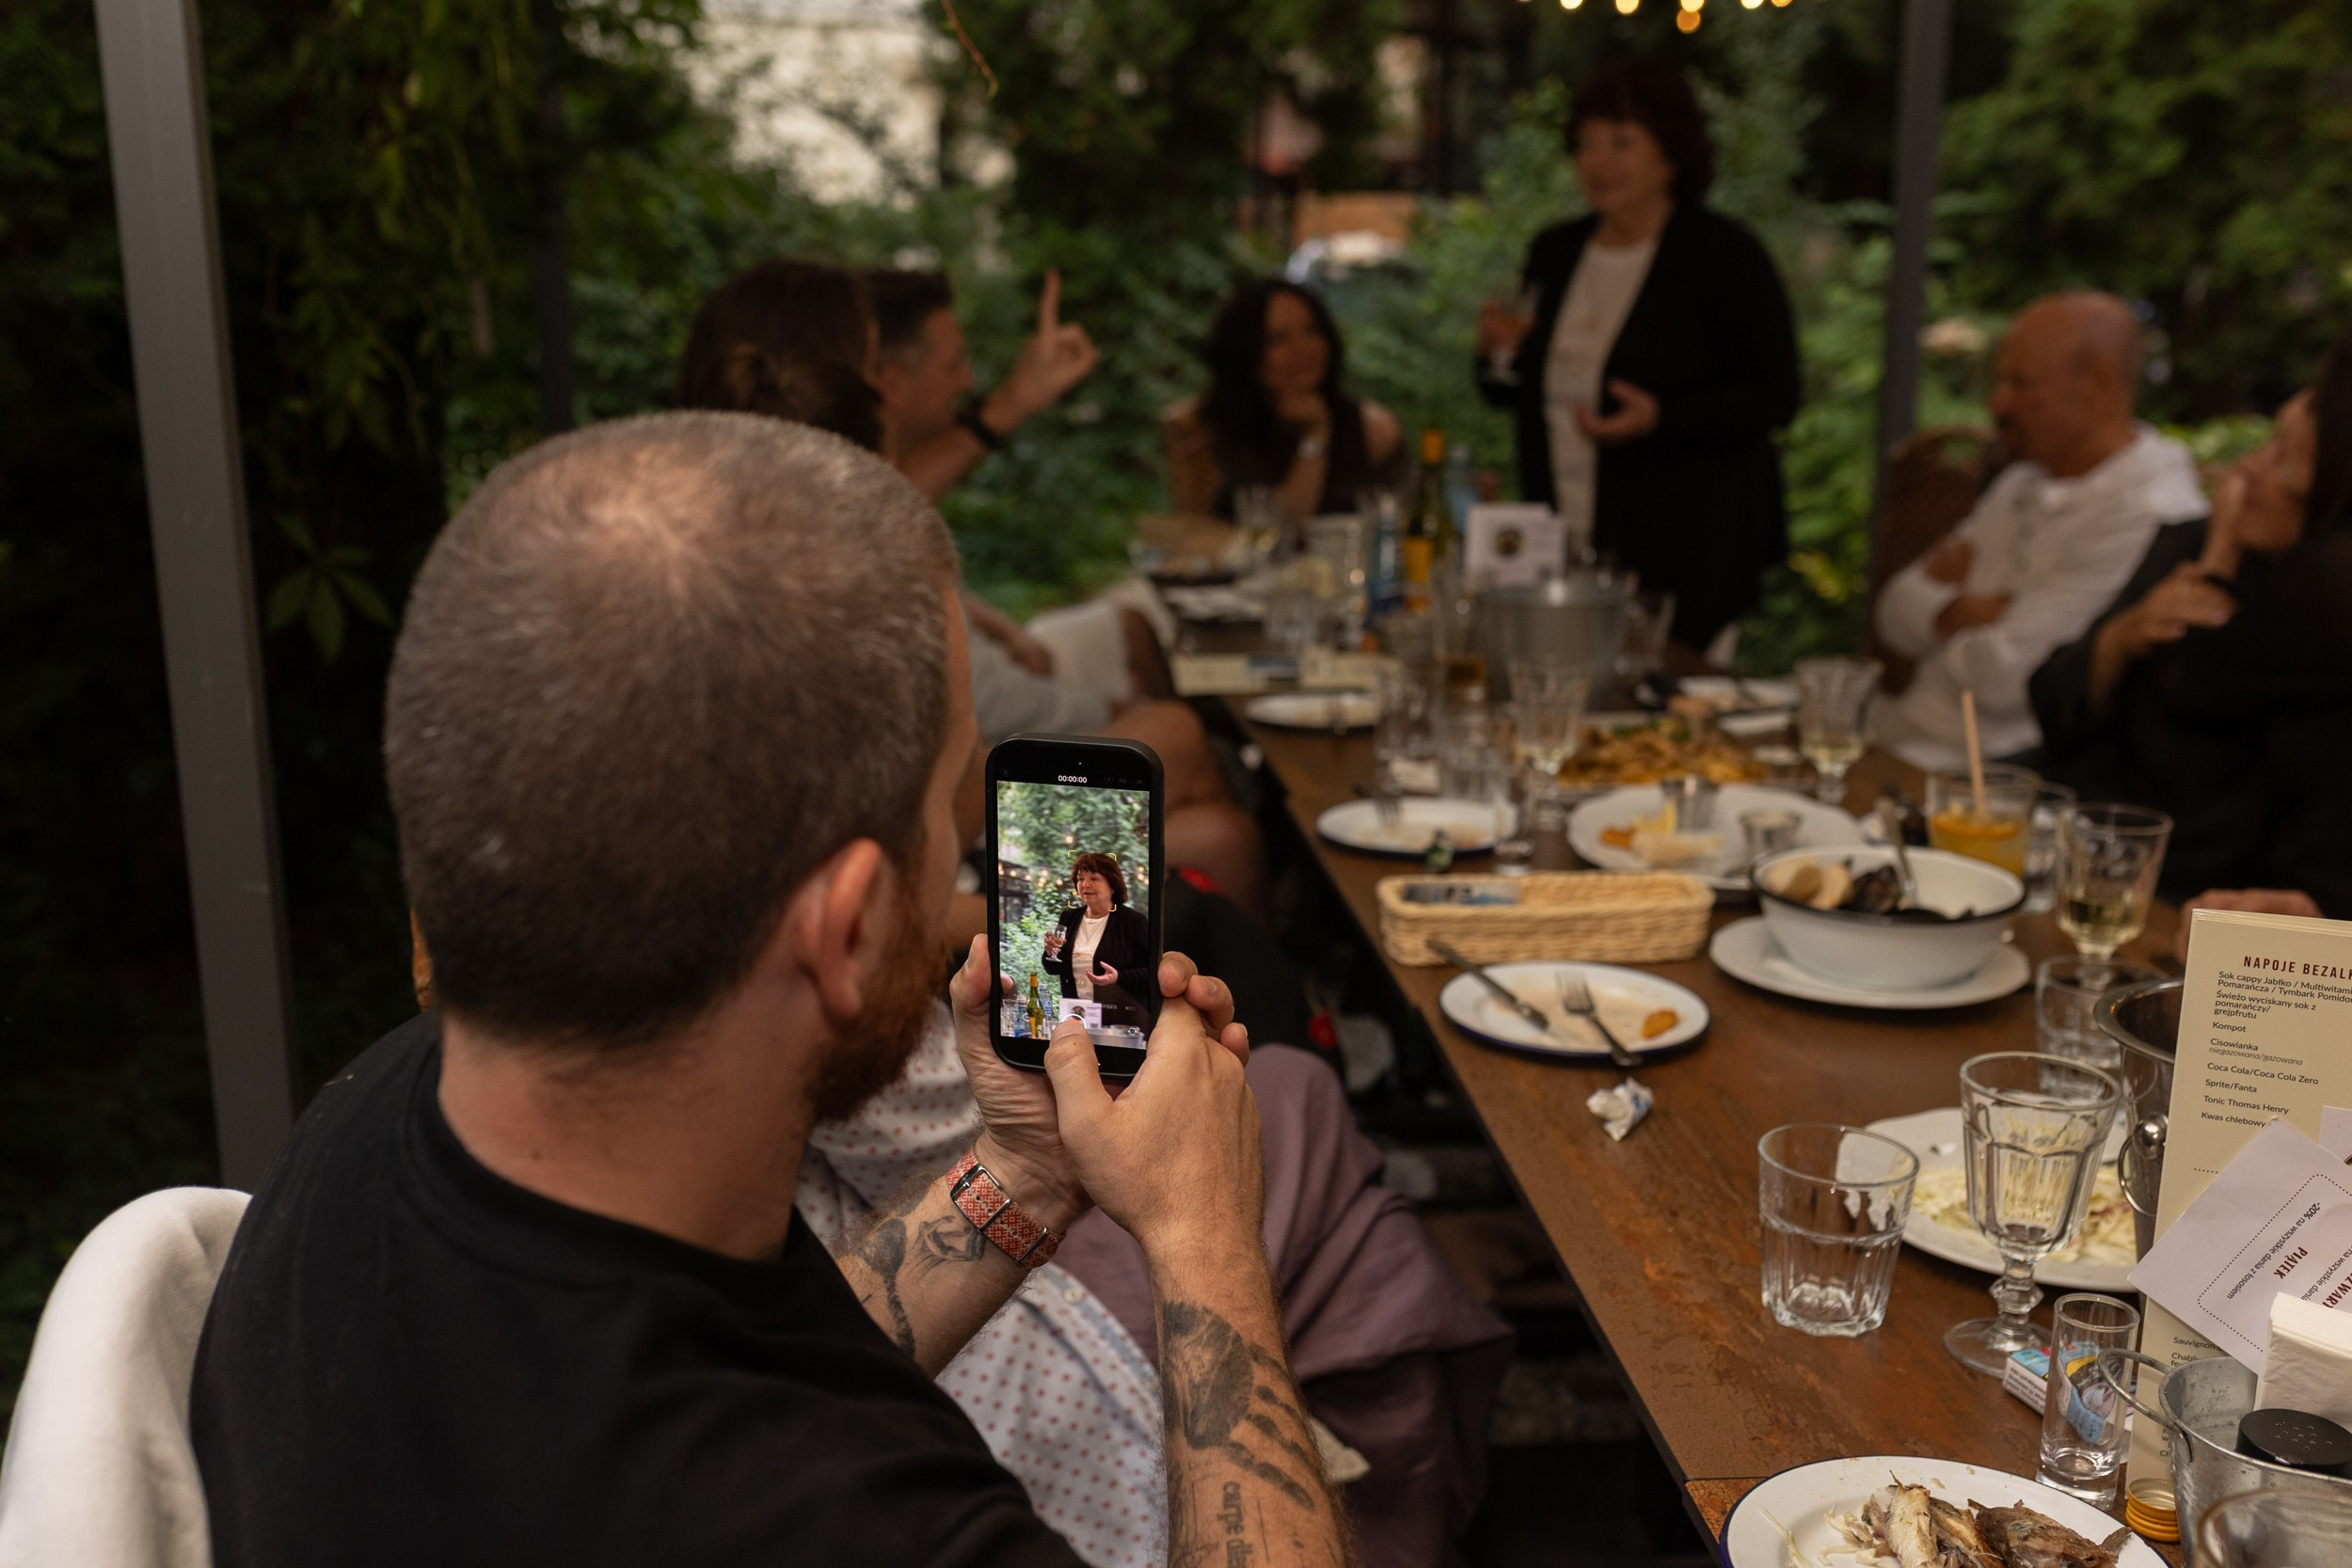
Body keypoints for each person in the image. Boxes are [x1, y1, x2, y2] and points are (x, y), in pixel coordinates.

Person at [191, 412, 1354, 1568]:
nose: (966, 872)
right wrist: (1206, 1239)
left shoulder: (386, 1117)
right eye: (946, 805)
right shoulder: (842, 1517)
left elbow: (754, 1344)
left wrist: (1026, 1173)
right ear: (845, 926)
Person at [681, 259, 1267, 913]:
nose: (889, 390)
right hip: (939, 878)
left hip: (939, 850)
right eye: (874, 367)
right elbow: (923, 843)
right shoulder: (821, 573)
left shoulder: (756, 536)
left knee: (1198, 792)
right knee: (1210, 811)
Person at [1474, 60, 1800, 653]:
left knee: (1664, 713)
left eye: (1622, 142)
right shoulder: (1556, 250)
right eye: (1587, 144)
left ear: (1671, 153)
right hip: (1565, 527)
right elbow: (1511, 389)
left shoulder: (1724, 257)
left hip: (1688, 541)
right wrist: (1497, 356)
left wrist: (1662, 418)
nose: (1598, 161)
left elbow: (1775, 395)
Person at [2032, 333, 2352, 911]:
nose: (2246, 471)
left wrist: (2217, 564)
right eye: (2262, 441)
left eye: (2282, 455)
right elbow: (2051, 696)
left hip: (2178, 891)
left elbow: (2189, 750)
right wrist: (2119, 637)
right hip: (2072, 844)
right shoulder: (2184, 542)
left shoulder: (2316, 601)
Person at [1872, 291, 2209, 769]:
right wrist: (1955, 614)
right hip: (1900, 733)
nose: (1998, 403)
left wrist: (1936, 620)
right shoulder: (2022, 481)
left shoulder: (2152, 512)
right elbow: (1892, 613)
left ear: (2098, 384)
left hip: (1989, 775)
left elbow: (2009, 682)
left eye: (2020, 382)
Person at [869, 267, 1175, 708]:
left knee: (1131, 628)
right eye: (954, 364)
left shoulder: (885, 471)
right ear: (893, 384)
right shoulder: (850, 488)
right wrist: (1012, 404)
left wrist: (1008, 631)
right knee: (1174, 735)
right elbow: (880, 511)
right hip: (975, 717)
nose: (968, 381)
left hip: (991, 668)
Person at [1164, 278, 1405, 521]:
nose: (1301, 349)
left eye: (1311, 331)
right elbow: (1277, 529)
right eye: (1278, 339)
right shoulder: (1203, 430)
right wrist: (1314, 437)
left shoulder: (1372, 427)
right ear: (1247, 352)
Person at [1041, 852, 1152, 1017]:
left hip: (1121, 1018)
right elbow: (1052, 968)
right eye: (1080, 878)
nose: (1085, 884)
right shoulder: (1069, 918)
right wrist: (1050, 952)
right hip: (1076, 1015)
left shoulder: (1133, 921)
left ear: (1112, 885)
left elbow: (1152, 972)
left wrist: (1119, 977)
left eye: (1094, 879)